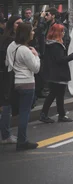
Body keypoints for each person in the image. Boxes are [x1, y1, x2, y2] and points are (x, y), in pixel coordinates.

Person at [6, 22, 40, 150]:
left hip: (14, 82)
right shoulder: (26, 50)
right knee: (24, 113)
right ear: (26, 33)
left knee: (14, 111)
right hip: (26, 83)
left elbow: (7, 63)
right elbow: (36, 68)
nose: (33, 32)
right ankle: (22, 141)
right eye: (31, 30)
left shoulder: (11, 46)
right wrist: (36, 56)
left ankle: (11, 136)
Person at [39, 24, 73, 124]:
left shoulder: (49, 44)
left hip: (53, 73)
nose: (63, 33)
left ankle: (59, 114)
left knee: (55, 94)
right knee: (56, 95)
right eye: (62, 31)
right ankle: (52, 114)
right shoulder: (56, 46)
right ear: (58, 33)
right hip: (59, 73)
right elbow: (60, 60)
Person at [0, 15, 22, 145]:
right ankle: (6, 134)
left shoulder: (8, 38)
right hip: (7, 75)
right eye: (17, 23)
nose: (20, 25)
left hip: (7, 74)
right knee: (6, 103)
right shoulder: (10, 40)